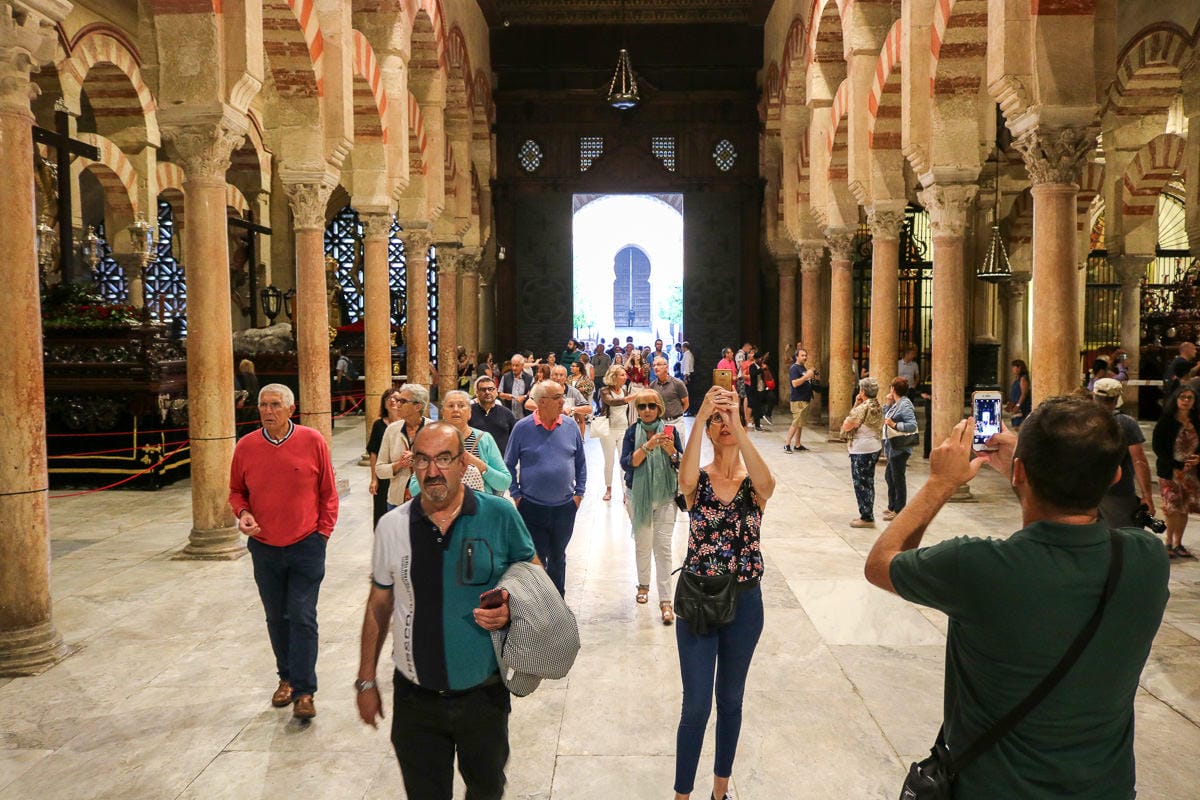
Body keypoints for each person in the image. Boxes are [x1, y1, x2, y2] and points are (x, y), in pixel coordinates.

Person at [864, 400, 1170, 799]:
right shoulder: (1147, 558)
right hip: (1106, 787)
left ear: (1020, 471)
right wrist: (1035, 472)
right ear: (1114, 475)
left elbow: (881, 563)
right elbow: (1083, 524)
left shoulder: (977, 566)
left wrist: (941, 482)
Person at [356, 422, 537, 800]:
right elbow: (379, 604)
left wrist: (510, 608)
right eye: (422, 460)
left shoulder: (499, 515)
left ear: (462, 463)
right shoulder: (392, 526)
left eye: (443, 459)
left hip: (483, 695)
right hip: (415, 699)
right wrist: (366, 680)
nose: (433, 471)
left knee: (486, 789)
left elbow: (533, 576)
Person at [673, 386, 775, 800]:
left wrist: (737, 421)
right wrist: (700, 416)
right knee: (696, 705)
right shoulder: (697, 482)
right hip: (699, 600)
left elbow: (769, 482)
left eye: (727, 421)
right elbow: (682, 478)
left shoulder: (755, 488)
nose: (723, 425)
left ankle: (720, 791)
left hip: (745, 602)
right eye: (718, 422)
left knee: (730, 700)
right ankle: (682, 794)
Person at [228, 383, 338, 720]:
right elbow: (236, 491)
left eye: (275, 404)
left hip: (306, 544)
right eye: (263, 405)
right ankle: (286, 679)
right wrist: (243, 514)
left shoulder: (312, 441)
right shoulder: (246, 446)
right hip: (264, 548)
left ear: (291, 409)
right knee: (277, 617)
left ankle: (305, 691)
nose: (268, 411)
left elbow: (328, 494)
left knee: (303, 617)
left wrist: (322, 535)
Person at [504, 380, 587, 596]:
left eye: (562, 396)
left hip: (565, 507)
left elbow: (580, 462)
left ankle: (558, 601)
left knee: (558, 556)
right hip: (532, 506)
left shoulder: (570, 426)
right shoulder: (522, 428)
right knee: (536, 557)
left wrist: (579, 494)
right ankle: (539, 603)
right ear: (541, 402)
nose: (563, 401)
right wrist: (516, 494)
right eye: (557, 397)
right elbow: (509, 463)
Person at [619, 389, 683, 623]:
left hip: (665, 496)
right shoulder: (630, 433)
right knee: (643, 544)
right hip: (639, 496)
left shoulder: (671, 432)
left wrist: (671, 450)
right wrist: (648, 447)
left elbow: (682, 463)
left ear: (659, 409)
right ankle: (643, 586)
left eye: (651, 406)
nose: (647, 411)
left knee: (663, 548)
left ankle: (666, 601)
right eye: (642, 406)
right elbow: (628, 464)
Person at [410, 390, 511, 497]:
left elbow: (504, 483)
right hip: (441, 510)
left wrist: (478, 464)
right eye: (451, 405)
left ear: (469, 413)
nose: (456, 409)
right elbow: (414, 489)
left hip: (478, 509)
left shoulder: (484, 439)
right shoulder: (431, 440)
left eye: (461, 405)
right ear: (443, 412)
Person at [1092, 378, 1155, 530]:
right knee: (1122, 538)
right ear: (1117, 399)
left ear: (1093, 396)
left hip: (1087, 492)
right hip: (1119, 492)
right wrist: (1147, 495)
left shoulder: (1082, 420)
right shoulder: (1126, 424)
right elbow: (1139, 460)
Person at [1151, 385, 1200, 559]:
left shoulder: (1197, 421)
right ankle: (1169, 542)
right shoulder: (1166, 421)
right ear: (1176, 400)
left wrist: (1197, 458)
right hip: (1170, 471)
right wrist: (1176, 465)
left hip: (1191, 473)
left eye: (1189, 398)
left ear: (1194, 402)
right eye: (1182, 397)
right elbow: (1158, 447)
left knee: (1184, 507)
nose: (1186, 401)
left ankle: (1179, 543)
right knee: (1172, 507)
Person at [375, 383, 431, 510]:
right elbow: (380, 469)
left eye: (402, 401)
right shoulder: (391, 430)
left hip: (427, 501)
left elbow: (443, 465)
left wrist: (419, 459)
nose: (397, 404)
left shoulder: (433, 429)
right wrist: (399, 464)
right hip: (396, 502)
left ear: (418, 406)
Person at [841, 377, 883, 528]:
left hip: (862, 449)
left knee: (861, 483)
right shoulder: (877, 405)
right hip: (875, 447)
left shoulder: (862, 408)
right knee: (869, 481)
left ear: (862, 391)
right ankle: (868, 513)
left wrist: (856, 404)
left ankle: (866, 517)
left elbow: (846, 426)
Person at [881, 377, 918, 521]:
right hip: (892, 447)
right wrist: (888, 403)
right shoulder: (897, 403)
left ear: (893, 389)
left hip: (900, 448)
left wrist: (895, 425)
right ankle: (892, 506)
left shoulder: (905, 404)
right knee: (889, 476)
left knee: (898, 478)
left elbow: (912, 425)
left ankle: (899, 509)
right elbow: (887, 417)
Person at [367, 387, 404, 528]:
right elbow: (373, 452)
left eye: (396, 398)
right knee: (382, 510)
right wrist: (374, 479)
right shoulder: (379, 424)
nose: (392, 401)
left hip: (402, 472)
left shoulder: (407, 423)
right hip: (384, 473)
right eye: (388, 398)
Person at [598, 365, 632, 502]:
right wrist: (629, 398)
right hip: (608, 430)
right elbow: (611, 402)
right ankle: (608, 489)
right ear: (614, 376)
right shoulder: (604, 390)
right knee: (609, 461)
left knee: (623, 462)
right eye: (622, 375)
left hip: (623, 429)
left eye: (625, 375)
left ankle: (625, 491)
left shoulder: (624, 390)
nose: (625, 377)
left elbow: (626, 410)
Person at [470, 375, 517, 455]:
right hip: (475, 462)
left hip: (501, 462)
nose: (487, 392)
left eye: (490, 389)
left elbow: (515, 439)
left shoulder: (506, 413)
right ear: (477, 393)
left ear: (496, 392)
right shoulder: (468, 412)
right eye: (483, 389)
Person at [785, 347, 815, 453]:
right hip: (798, 399)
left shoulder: (803, 368)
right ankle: (787, 444)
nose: (805, 357)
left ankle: (797, 444)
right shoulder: (794, 368)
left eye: (806, 355)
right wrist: (807, 376)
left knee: (800, 423)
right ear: (797, 356)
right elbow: (795, 383)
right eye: (802, 355)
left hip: (804, 398)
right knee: (796, 422)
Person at [649, 356, 689, 424]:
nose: (655, 367)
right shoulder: (652, 385)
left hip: (676, 421)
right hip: (660, 422)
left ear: (666, 367)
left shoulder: (677, 383)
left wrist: (677, 415)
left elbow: (686, 403)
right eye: (654, 365)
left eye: (658, 364)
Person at [498, 353, 534, 419]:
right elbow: (500, 393)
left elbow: (532, 393)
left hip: (524, 415)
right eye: (513, 365)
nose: (514, 368)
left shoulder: (529, 378)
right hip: (509, 414)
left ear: (522, 365)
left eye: (517, 365)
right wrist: (506, 396)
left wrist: (524, 397)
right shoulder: (506, 377)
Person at [1007, 359, 1032, 428]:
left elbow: (1024, 393)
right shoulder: (1017, 378)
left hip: (1022, 406)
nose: (1012, 369)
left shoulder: (1023, 378)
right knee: (1016, 426)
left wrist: (1018, 405)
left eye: (1014, 367)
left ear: (1019, 367)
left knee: (1019, 426)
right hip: (1016, 405)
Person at [335, 348, 356, 413]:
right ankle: (357, 408)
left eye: (338, 350)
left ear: (340, 352)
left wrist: (338, 382)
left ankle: (342, 410)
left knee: (343, 395)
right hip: (349, 379)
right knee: (348, 395)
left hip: (344, 380)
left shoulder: (341, 361)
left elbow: (340, 372)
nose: (336, 351)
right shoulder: (348, 359)